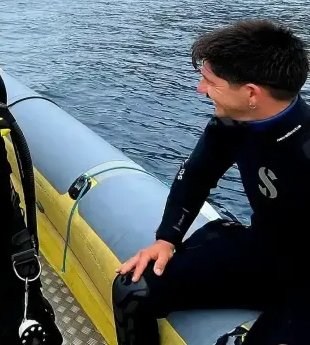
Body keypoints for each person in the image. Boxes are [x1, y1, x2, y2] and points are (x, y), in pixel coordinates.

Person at [112, 19, 310, 345]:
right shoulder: (232, 122)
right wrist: (167, 239)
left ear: (251, 93)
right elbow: (195, 176)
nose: (200, 90)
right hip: (264, 252)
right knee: (133, 288)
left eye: (210, 82)